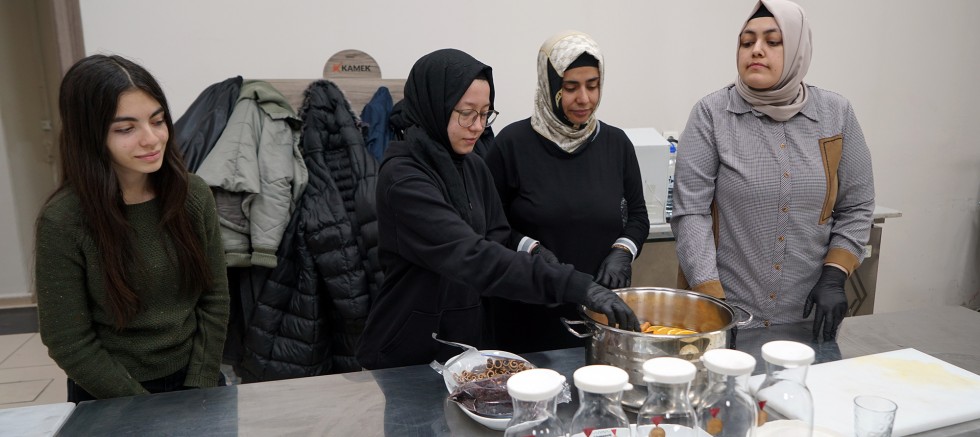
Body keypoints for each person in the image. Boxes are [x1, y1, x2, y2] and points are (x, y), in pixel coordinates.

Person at [355, 48, 639, 370]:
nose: (478, 127)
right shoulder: (403, 178)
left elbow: (498, 238)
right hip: (408, 349)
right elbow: (471, 255)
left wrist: (534, 254)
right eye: (466, 113)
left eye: (485, 113)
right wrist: (576, 285)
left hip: (463, 342)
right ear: (435, 107)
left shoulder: (473, 166)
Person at [671, 0, 875, 340]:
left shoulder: (836, 114)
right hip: (728, 313)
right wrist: (714, 302)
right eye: (747, 41)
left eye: (773, 41)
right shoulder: (712, 114)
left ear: (797, 49)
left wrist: (835, 273)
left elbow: (857, 206)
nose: (756, 50)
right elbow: (691, 212)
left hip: (807, 317)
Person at [34, 54, 230, 401]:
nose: (151, 139)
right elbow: (69, 341)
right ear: (89, 135)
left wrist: (199, 384)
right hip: (110, 392)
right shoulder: (64, 220)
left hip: (196, 381)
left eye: (158, 121)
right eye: (126, 129)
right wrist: (142, 409)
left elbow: (214, 298)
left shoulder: (192, 194)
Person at [484, 31, 649, 353]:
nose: (584, 99)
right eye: (571, 87)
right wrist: (530, 248)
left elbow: (638, 216)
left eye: (593, 85)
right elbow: (491, 225)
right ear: (549, 84)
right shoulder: (512, 144)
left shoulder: (617, 144)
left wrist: (624, 250)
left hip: (599, 313)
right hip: (528, 312)